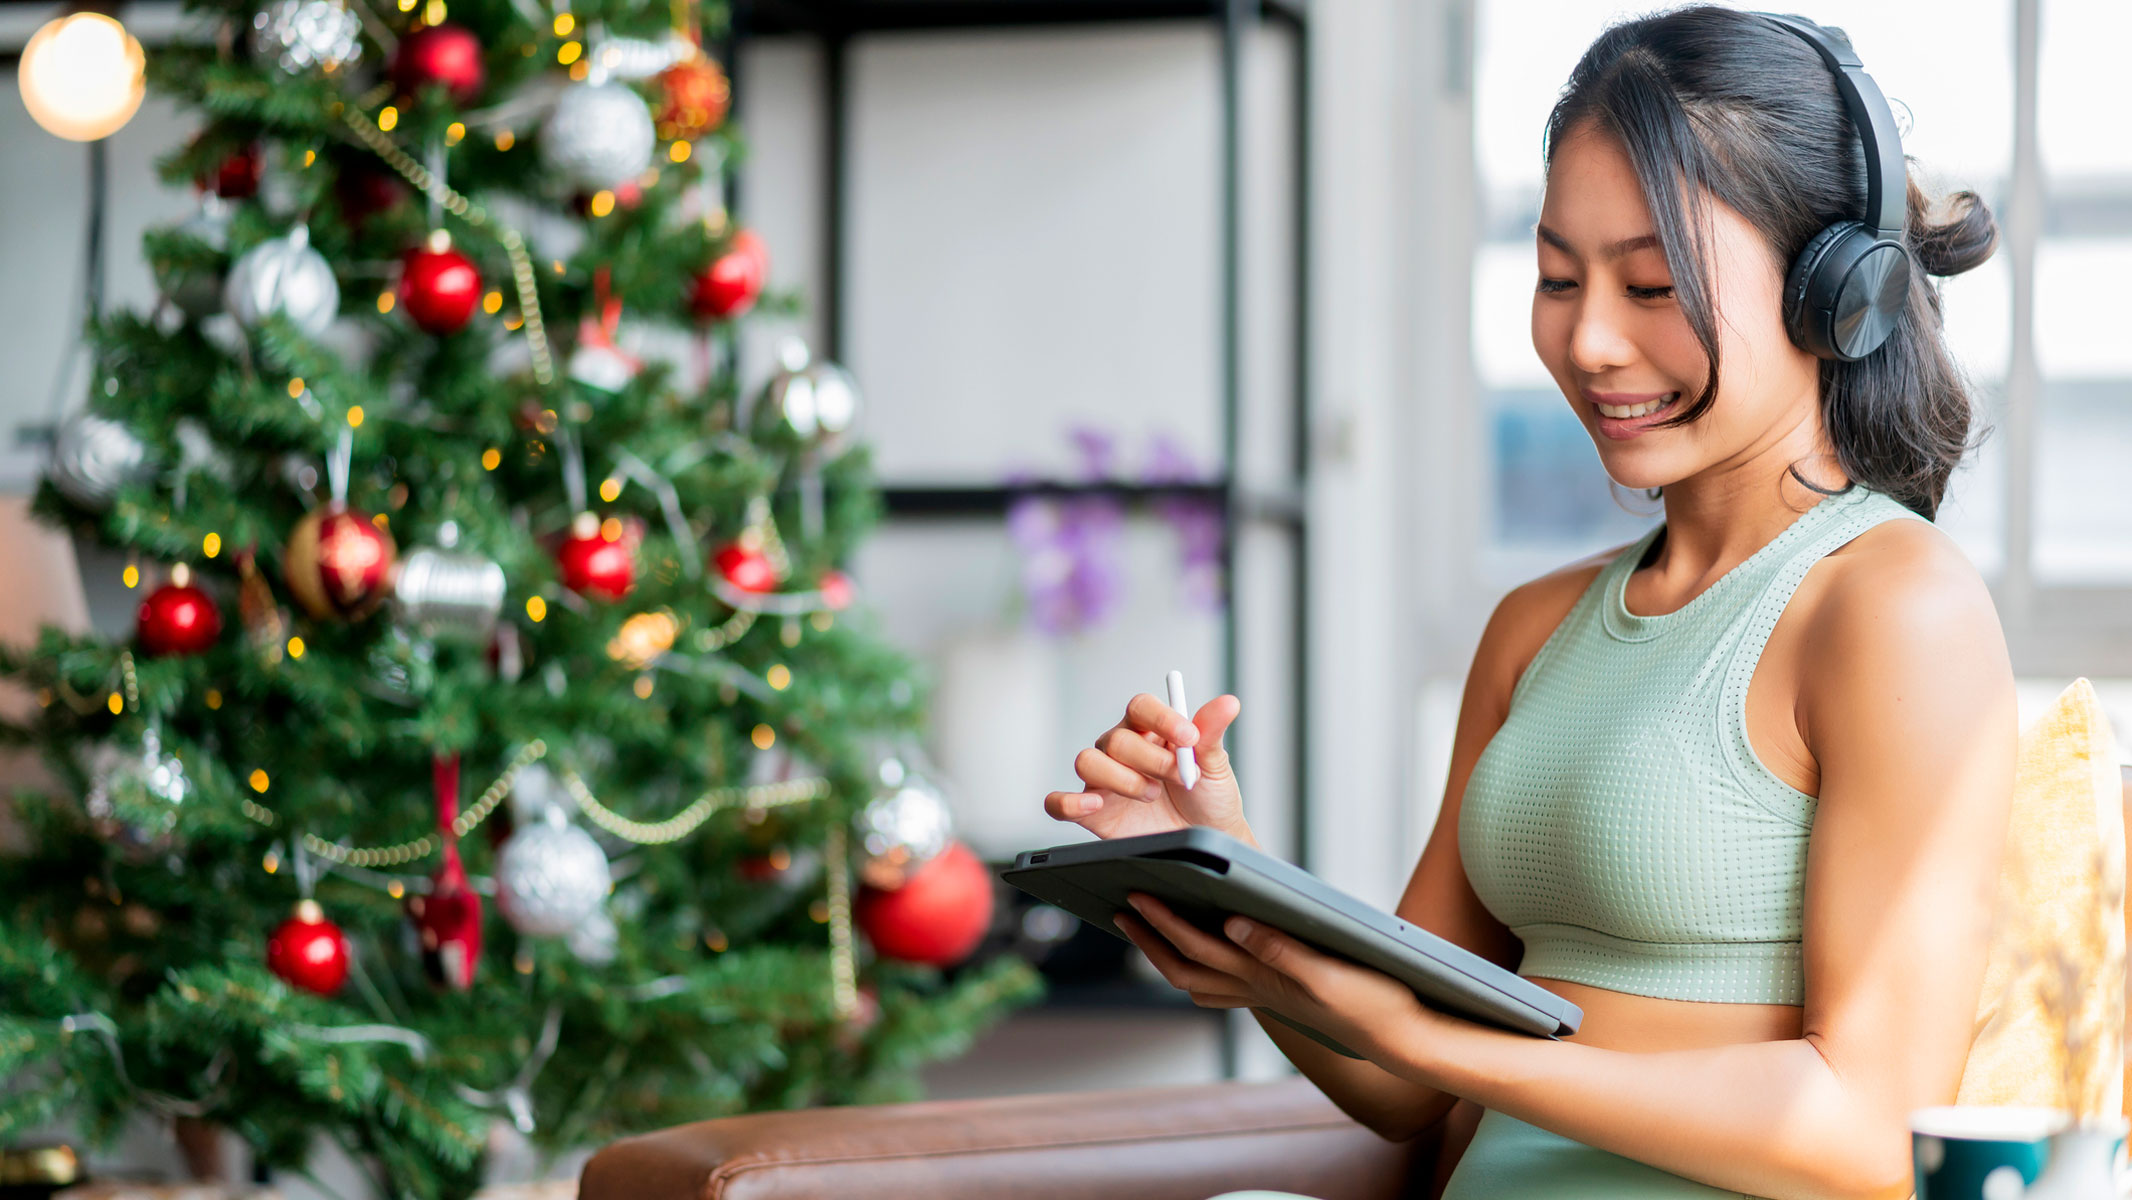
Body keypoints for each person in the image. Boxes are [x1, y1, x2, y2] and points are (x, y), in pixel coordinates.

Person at [1042, 6, 2013, 1198]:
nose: (1590, 339)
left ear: (1833, 294)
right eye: (1557, 277)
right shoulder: (1535, 629)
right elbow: (1399, 1091)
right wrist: (1238, 895)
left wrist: (1431, 1044)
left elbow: (1863, 1131)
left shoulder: (1890, 606)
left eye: (1652, 285)